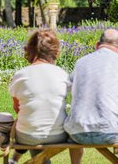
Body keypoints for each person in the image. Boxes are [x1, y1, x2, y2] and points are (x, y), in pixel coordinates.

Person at [64, 29, 118, 164]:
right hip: (112, 131)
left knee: (78, 118)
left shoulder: (80, 63)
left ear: (97, 45)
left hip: (77, 132)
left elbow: (66, 89)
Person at [8, 29, 82, 164]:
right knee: (75, 130)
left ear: (29, 50)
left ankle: (18, 160)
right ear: (55, 51)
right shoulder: (62, 74)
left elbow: (17, 108)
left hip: (27, 136)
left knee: (31, 128)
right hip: (57, 135)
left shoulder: (21, 75)